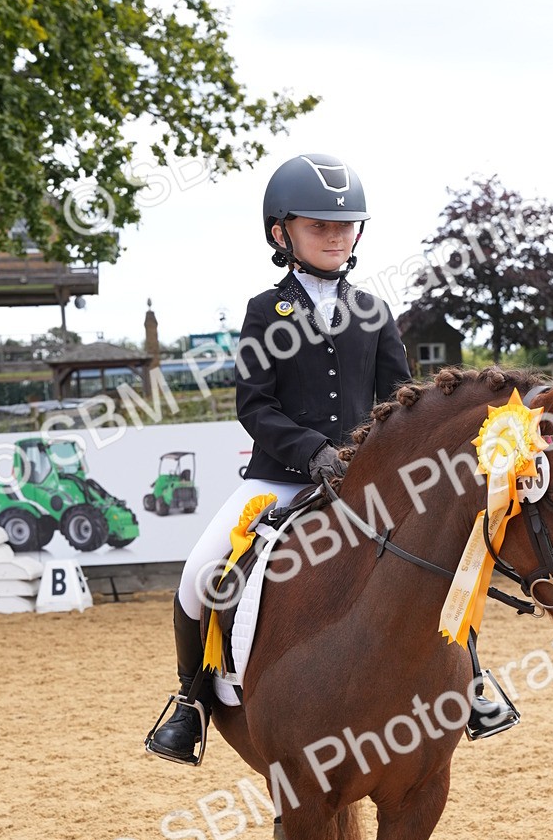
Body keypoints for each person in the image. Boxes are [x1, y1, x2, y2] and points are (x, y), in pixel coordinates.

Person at [145, 152, 517, 766]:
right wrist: (314, 451)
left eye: (345, 226)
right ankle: (190, 704)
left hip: (366, 488)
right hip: (279, 481)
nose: (335, 236)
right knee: (200, 573)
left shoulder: (373, 312)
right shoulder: (266, 311)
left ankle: (471, 679)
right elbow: (255, 405)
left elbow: (405, 404)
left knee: (440, 559)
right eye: (319, 225)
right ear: (280, 232)